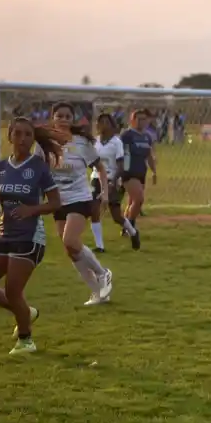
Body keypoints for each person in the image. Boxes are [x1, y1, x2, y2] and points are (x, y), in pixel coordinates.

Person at [0, 116, 62, 355]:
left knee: (13, 290)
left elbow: (56, 203)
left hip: (30, 236)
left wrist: (31, 209)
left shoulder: (38, 168)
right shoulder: (2, 167)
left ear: (33, 139)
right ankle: (26, 312)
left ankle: (26, 341)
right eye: (18, 134)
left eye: (28, 135)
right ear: (9, 136)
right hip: (5, 233)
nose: (22, 139)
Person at [43, 102, 114, 306]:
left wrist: (104, 194)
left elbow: (100, 168)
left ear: (72, 120)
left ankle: (102, 273)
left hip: (80, 197)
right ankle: (98, 293)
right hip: (57, 200)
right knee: (70, 249)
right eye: (60, 116)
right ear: (53, 118)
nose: (63, 120)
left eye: (67, 116)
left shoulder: (82, 142)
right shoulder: (44, 143)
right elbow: (39, 170)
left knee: (70, 240)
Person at [90, 113, 140, 251]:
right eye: (100, 122)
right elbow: (91, 161)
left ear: (113, 126)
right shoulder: (95, 142)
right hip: (96, 178)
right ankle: (99, 246)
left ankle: (133, 233)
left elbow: (121, 164)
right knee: (94, 209)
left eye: (106, 122)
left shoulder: (117, 142)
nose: (103, 125)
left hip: (113, 179)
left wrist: (113, 181)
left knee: (116, 216)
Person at [119, 109, 157, 234]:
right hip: (129, 172)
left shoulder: (147, 136)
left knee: (132, 202)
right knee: (139, 199)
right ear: (132, 120)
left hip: (141, 172)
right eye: (139, 119)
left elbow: (149, 155)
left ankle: (126, 228)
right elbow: (119, 154)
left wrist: (154, 171)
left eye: (144, 119)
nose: (142, 122)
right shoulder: (127, 135)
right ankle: (131, 227)